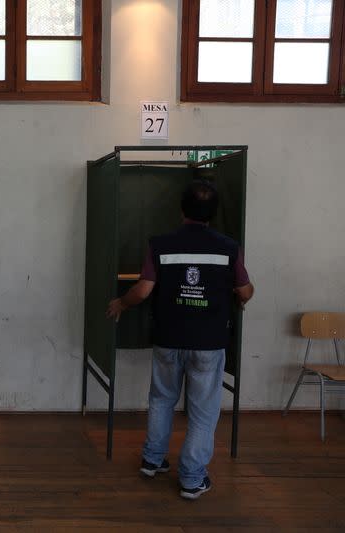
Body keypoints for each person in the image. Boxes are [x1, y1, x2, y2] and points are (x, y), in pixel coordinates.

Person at [106, 179, 254, 500]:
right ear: (212, 213)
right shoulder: (229, 248)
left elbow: (143, 289)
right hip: (209, 343)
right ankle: (191, 479)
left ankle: (153, 460)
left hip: (168, 337)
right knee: (203, 411)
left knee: (161, 398)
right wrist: (240, 297)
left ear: (181, 210)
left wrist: (121, 303)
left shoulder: (160, 244)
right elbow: (245, 291)